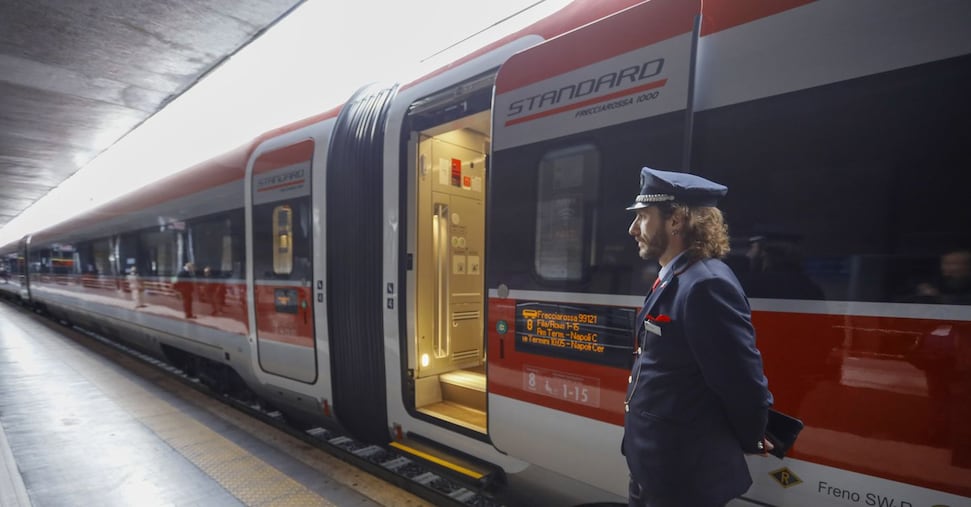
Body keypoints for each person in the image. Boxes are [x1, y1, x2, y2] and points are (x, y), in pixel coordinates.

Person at [623, 167, 774, 507]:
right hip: (657, 466)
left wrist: (751, 436)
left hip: (682, 478)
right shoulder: (676, 275)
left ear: (675, 220)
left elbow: (741, 381)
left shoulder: (706, 284)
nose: (633, 229)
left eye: (643, 217)